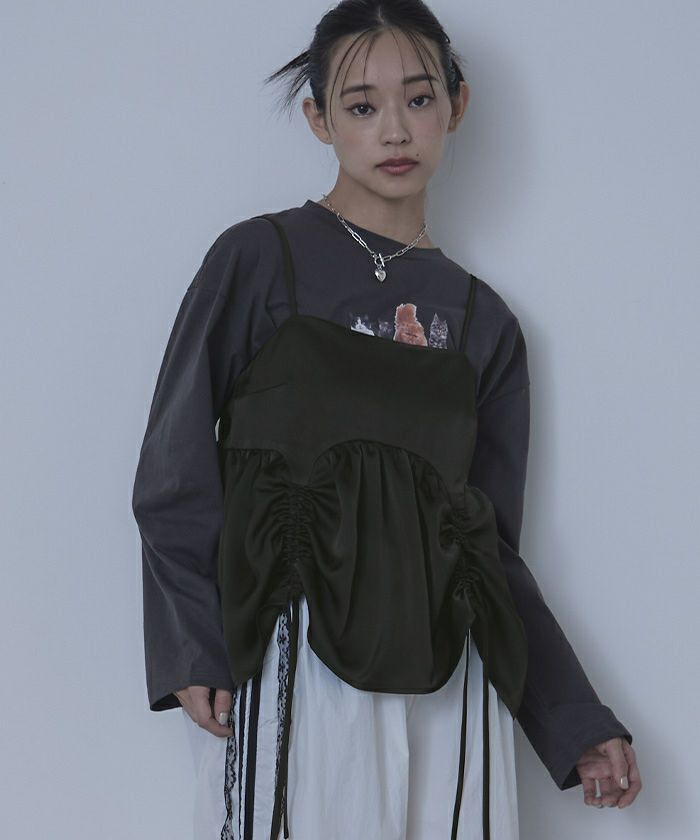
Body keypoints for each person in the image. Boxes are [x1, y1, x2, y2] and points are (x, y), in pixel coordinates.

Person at [131, 2, 642, 838]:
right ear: (319, 120)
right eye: (362, 105)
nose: (395, 130)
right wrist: (193, 645)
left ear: (456, 105)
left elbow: (489, 550)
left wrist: (574, 722)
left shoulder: (483, 321)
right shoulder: (259, 260)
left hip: (448, 681)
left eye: (419, 98)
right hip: (291, 655)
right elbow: (174, 469)